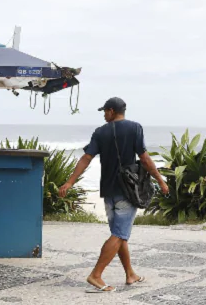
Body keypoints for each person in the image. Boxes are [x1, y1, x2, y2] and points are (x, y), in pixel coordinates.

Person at [58, 97, 169, 293]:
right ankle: (96, 275)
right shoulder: (135, 128)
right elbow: (144, 158)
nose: (103, 115)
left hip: (108, 191)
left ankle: (130, 274)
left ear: (111, 111)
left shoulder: (101, 132)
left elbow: (86, 157)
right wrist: (160, 180)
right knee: (119, 234)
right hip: (127, 191)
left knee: (119, 235)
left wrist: (69, 181)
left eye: (104, 111)